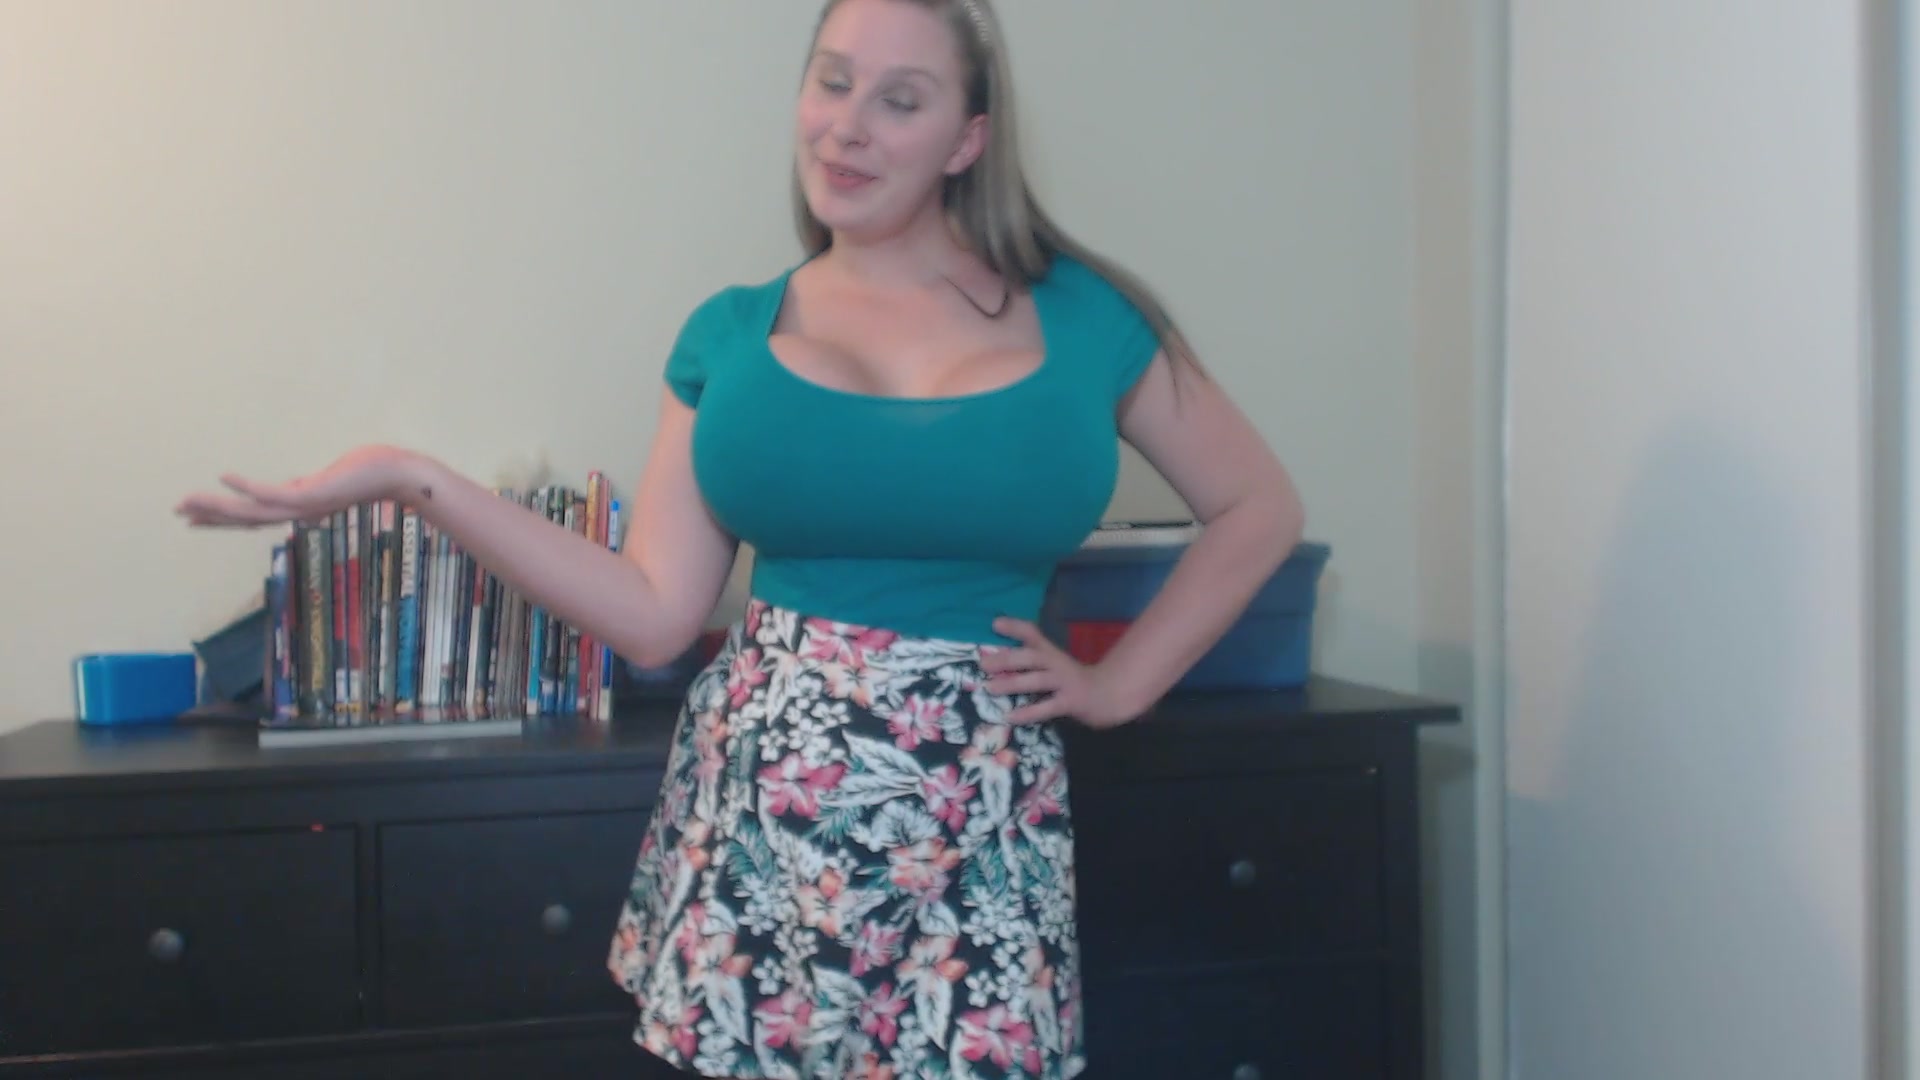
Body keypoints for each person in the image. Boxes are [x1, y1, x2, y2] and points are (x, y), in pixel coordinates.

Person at [177, 0, 1303, 1075]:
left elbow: (1259, 507)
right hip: (769, 821)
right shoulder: (729, 335)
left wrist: (1118, 686)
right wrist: (409, 478)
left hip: (977, 816)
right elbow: (654, 614)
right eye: (833, 83)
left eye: (900, 100)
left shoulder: (1089, 320)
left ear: (967, 139)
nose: (848, 125)